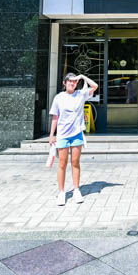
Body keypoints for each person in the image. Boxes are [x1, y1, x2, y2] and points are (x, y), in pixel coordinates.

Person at [48, 72, 98, 206]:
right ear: (64, 83)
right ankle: (62, 192)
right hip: (63, 135)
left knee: (75, 162)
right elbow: (55, 117)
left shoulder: (80, 95)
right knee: (62, 164)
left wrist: (82, 77)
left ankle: (76, 190)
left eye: (74, 81)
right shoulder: (58, 98)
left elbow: (95, 86)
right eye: (69, 81)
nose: (72, 83)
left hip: (76, 134)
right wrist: (52, 134)